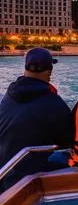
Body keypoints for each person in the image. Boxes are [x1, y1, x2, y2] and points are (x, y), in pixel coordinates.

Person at [0, 48, 73, 190]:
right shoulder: (53, 103)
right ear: (49, 70)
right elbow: (68, 139)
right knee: (70, 159)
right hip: (26, 178)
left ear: (26, 68)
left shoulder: (9, 96)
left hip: (4, 170)